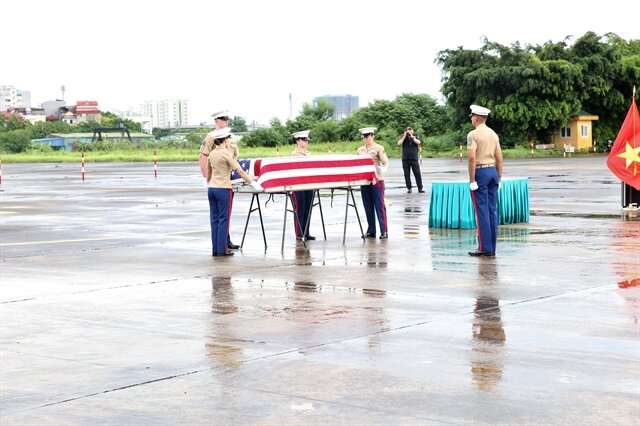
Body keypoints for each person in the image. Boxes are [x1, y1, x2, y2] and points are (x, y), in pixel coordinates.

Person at [206, 127, 262, 257]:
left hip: (212, 188)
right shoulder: (226, 154)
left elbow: (209, 173)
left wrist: (208, 182)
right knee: (224, 219)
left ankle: (215, 250)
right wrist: (252, 182)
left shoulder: (212, 154)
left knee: (214, 219)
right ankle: (222, 250)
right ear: (224, 140)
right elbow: (240, 171)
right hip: (223, 188)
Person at [200, 110, 241, 250]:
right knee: (220, 215)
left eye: (227, 119)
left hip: (229, 179)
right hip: (217, 180)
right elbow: (203, 156)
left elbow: (235, 157)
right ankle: (222, 244)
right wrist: (206, 178)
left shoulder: (232, 137)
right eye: (222, 119)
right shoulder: (211, 137)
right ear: (216, 121)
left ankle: (225, 241)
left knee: (226, 213)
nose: (225, 121)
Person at [466, 104, 503, 257]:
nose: (472, 119)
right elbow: (499, 157)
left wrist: (472, 179)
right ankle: (491, 247)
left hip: (480, 172)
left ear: (477, 118)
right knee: (492, 211)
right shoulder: (493, 134)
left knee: (481, 212)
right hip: (492, 171)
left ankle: (484, 248)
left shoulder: (473, 135)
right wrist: (499, 177)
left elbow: (471, 157)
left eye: (472, 117)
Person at [356, 127, 390, 239]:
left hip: (377, 180)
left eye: (367, 136)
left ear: (372, 136)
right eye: (364, 137)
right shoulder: (360, 150)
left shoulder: (379, 148)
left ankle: (384, 230)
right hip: (365, 181)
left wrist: (383, 169)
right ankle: (371, 230)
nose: (365, 139)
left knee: (379, 205)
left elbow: (385, 162)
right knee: (368, 206)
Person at [290, 130, 316, 241]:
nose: (306, 142)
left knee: (308, 209)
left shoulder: (309, 154)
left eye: (306, 140)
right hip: (298, 184)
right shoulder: (293, 154)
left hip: (308, 184)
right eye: (304, 140)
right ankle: (299, 233)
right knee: (300, 209)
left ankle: (306, 231)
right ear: (298, 141)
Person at [397, 126, 424, 193]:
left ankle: (420, 188)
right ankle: (409, 188)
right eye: (408, 131)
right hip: (405, 159)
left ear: (413, 131)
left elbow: (418, 142)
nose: (410, 133)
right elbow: (399, 143)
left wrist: (412, 137)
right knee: (407, 174)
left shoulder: (415, 137)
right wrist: (404, 136)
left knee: (417, 173)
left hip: (414, 159)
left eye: (411, 131)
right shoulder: (404, 138)